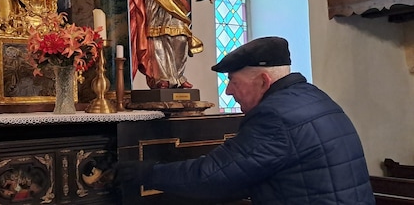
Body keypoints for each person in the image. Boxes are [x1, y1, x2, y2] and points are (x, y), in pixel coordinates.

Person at [117, 36, 375, 204]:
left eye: (233, 82)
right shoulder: (314, 97)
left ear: (263, 81)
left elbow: (213, 176)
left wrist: (146, 172)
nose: (228, 91)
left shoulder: (275, 116)